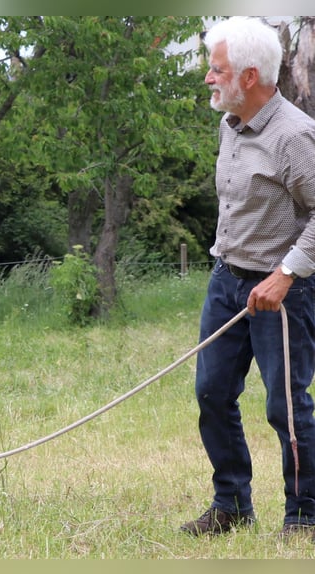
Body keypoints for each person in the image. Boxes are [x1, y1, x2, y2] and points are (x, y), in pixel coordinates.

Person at [181, 16, 315, 538]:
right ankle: (232, 505)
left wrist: (284, 274)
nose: (209, 79)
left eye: (217, 71)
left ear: (250, 75)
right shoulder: (229, 123)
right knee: (212, 393)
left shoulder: (296, 137)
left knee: (286, 406)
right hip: (226, 282)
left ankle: (304, 513)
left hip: (285, 292)